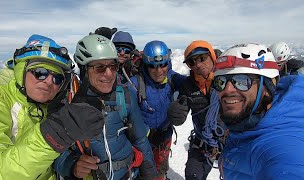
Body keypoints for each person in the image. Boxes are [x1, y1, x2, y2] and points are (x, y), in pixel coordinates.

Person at [0, 34, 104, 180]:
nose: (49, 81)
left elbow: (52, 159)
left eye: (57, 78)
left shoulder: (52, 107)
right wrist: (53, 135)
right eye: (40, 73)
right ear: (22, 71)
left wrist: (72, 165)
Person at [54, 34, 157, 180]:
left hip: (127, 175)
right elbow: (54, 153)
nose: (109, 74)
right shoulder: (70, 104)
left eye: (113, 66)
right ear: (85, 69)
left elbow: (140, 139)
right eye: (100, 67)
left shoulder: (125, 96)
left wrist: (150, 175)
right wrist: (71, 165)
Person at [211, 43, 304, 179]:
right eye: (220, 81)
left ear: (267, 87)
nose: (227, 90)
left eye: (242, 81)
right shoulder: (248, 126)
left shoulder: (283, 147)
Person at [127, 40, 186, 180]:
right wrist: (147, 132)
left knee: (161, 168)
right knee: (144, 171)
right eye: (153, 66)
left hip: (165, 137)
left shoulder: (172, 77)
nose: (159, 71)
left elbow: (191, 86)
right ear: (146, 66)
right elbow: (128, 114)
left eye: (163, 65)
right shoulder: (135, 83)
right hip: (143, 140)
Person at [167, 40, 225, 180]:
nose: (198, 64)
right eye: (192, 62)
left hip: (230, 140)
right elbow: (182, 112)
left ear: (212, 56)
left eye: (202, 58)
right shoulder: (188, 86)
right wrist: (177, 114)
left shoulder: (228, 78)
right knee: (193, 175)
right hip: (202, 140)